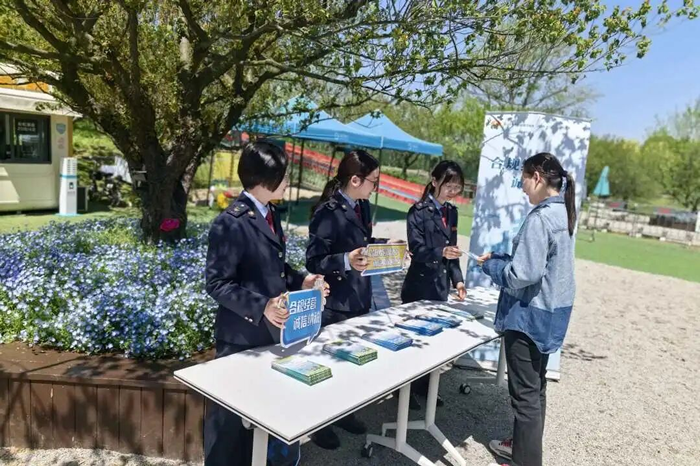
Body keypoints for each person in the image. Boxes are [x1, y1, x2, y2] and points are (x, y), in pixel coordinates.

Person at [204, 141, 329, 466]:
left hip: (270, 335)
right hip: (239, 339)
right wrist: (262, 306)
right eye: (283, 176)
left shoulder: (270, 213)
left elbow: (275, 268)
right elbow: (217, 283)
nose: (288, 182)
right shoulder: (230, 223)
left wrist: (303, 280)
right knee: (229, 428)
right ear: (263, 179)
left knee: (259, 420)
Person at [479, 152, 576, 466]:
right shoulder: (563, 213)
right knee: (536, 390)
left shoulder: (541, 218)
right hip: (549, 315)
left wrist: (492, 267)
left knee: (524, 398)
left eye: (522, 179)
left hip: (527, 318)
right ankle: (523, 448)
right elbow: (538, 266)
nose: (521, 186)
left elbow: (523, 275)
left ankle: (525, 461)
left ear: (536, 177)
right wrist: (504, 258)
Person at [305, 149, 398, 450]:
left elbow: (363, 244)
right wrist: (345, 259)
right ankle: (319, 424)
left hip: (359, 297)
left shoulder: (362, 207)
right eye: (373, 181)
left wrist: (386, 245)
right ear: (355, 180)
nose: (375, 187)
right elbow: (313, 261)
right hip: (336, 302)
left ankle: (344, 413)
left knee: (352, 362)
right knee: (328, 364)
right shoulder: (327, 212)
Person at [400, 160, 467, 410]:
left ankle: (424, 386)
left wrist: (458, 280)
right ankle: (403, 391)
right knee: (412, 341)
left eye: (457, 187)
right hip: (419, 286)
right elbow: (417, 250)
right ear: (434, 180)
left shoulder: (452, 212)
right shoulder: (417, 212)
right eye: (448, 185)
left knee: (433, 342)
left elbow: (453, 251)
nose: (452, 191)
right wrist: (441, 252)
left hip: (440, 287)